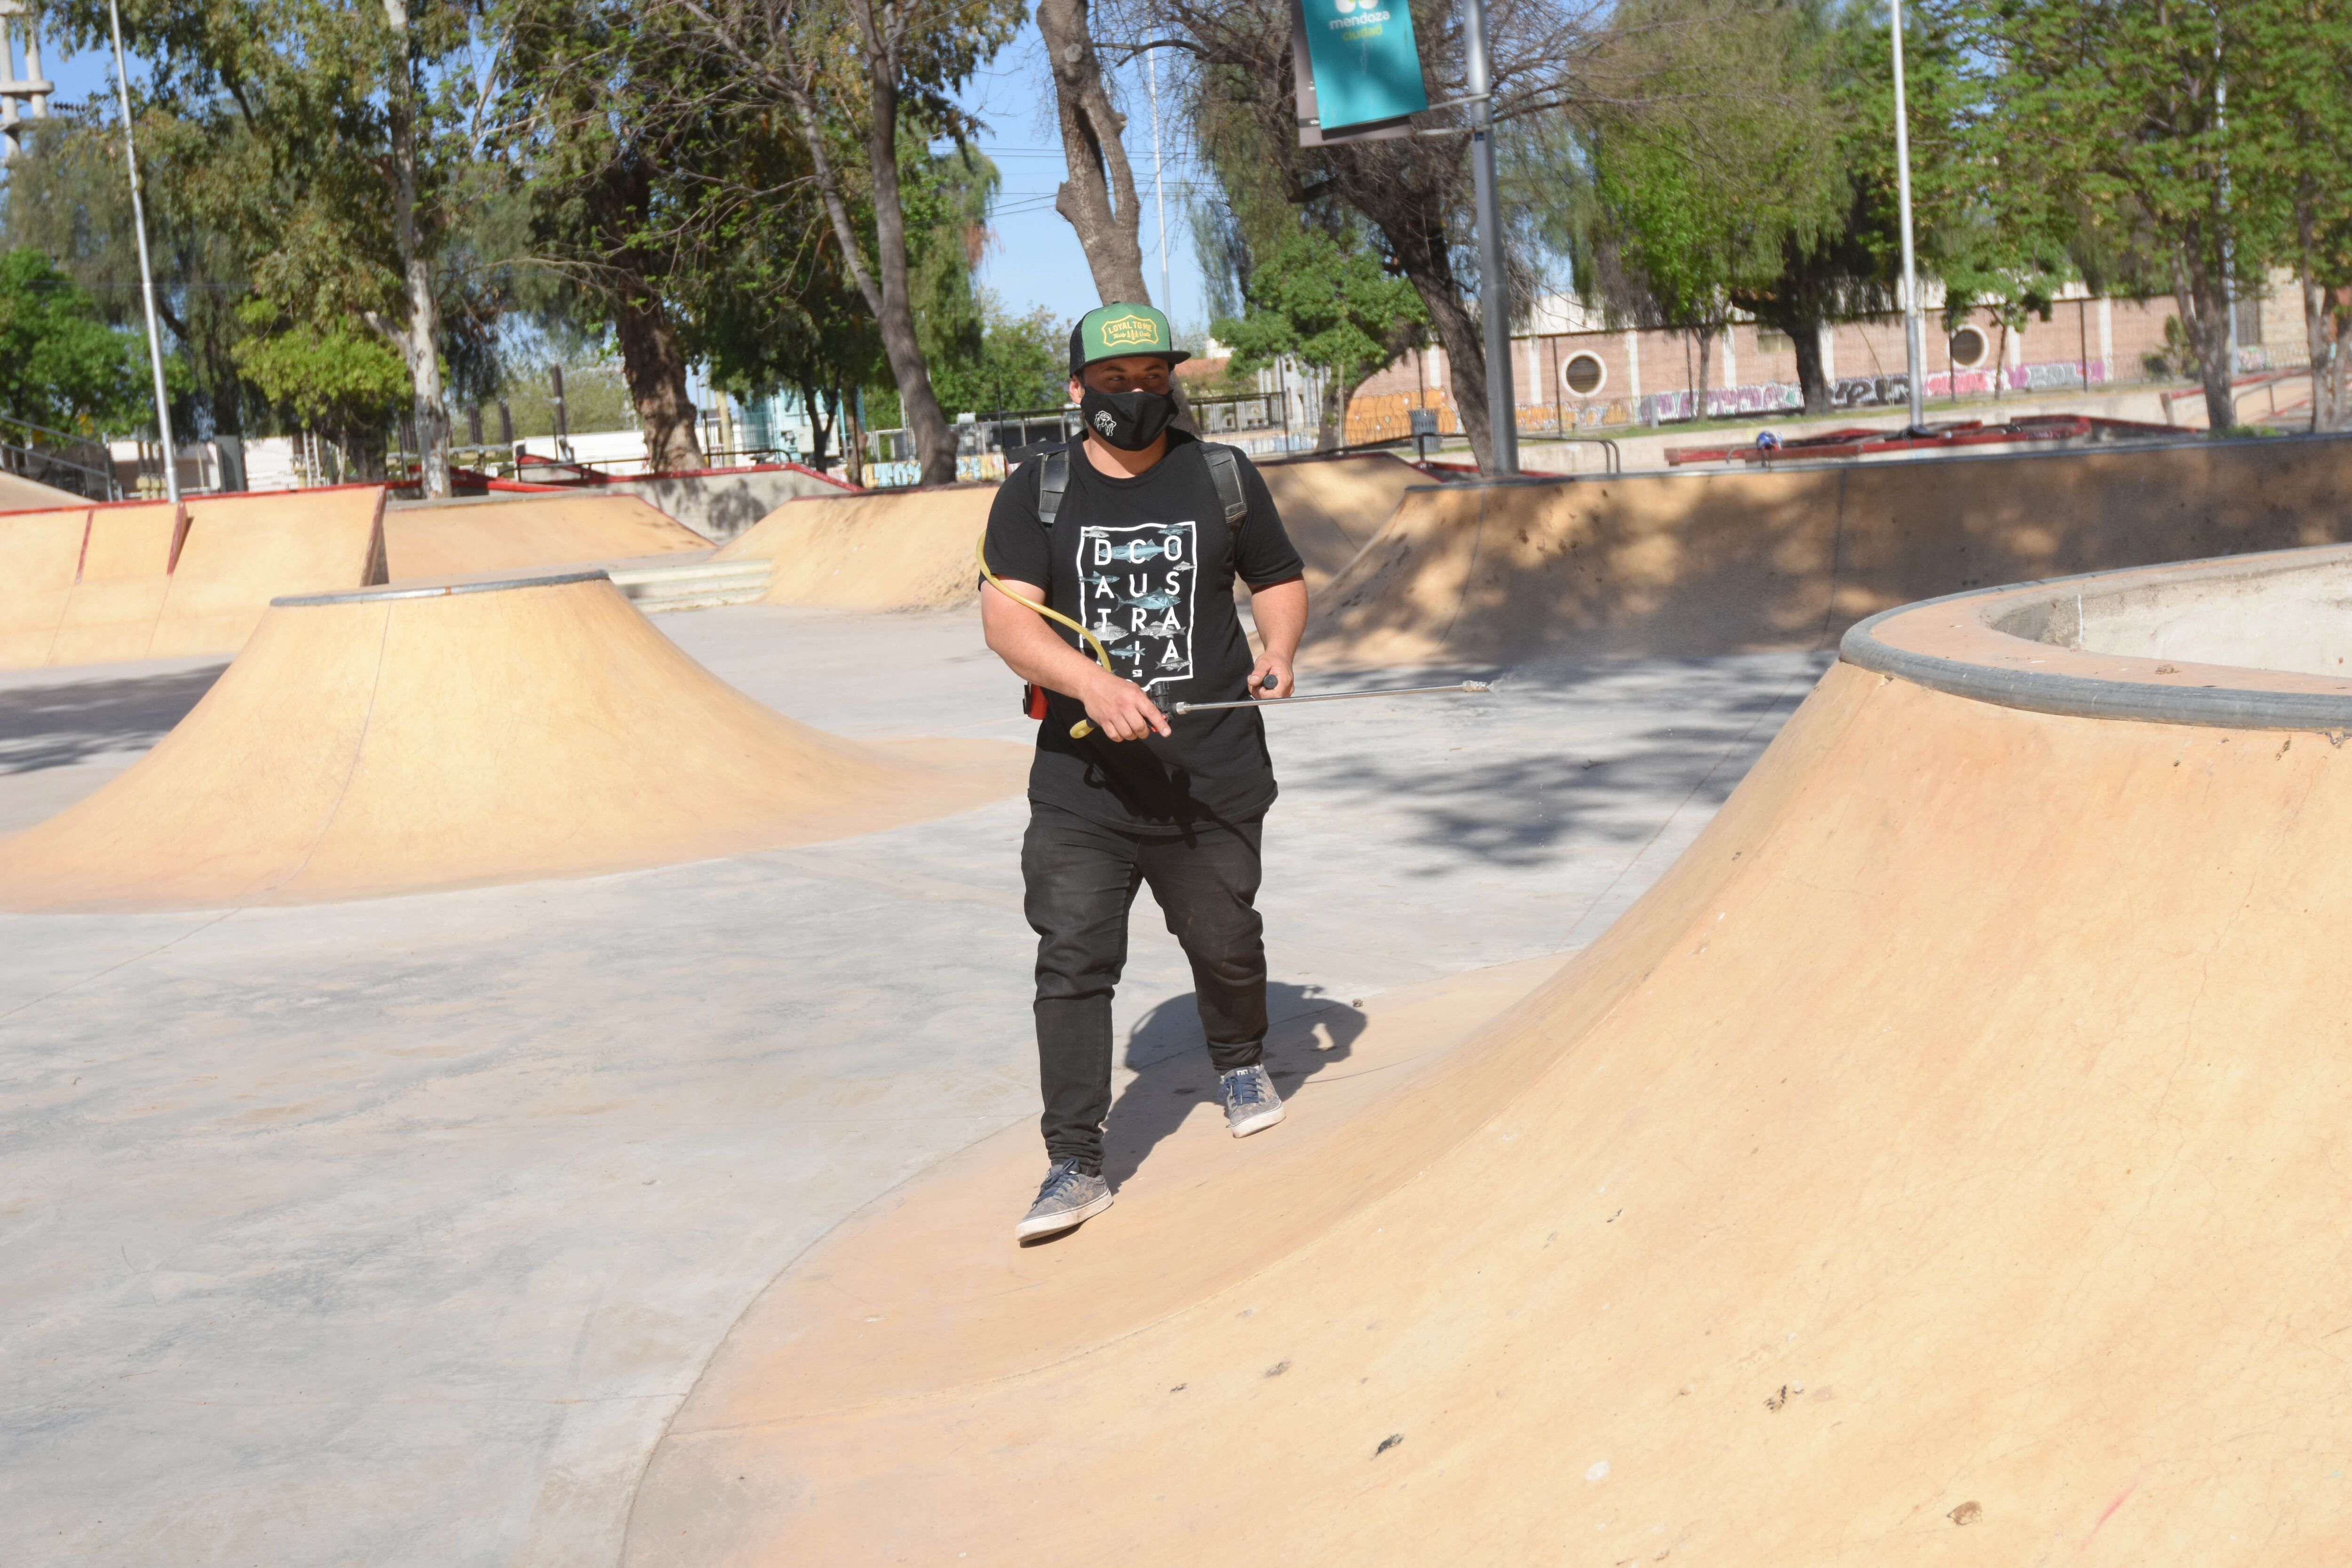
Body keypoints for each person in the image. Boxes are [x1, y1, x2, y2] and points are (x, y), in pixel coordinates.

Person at [979, 302, 1309, 1243]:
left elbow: (1277, 577)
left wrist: (1278, 649)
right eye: (1112, 381)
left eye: (1150, 378)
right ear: (1076, 386)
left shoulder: (1221, 474)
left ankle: (1239, 1055)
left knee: (1224, 935)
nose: (1132, 396)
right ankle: (1075, 1161)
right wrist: (1092, 684)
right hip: (1084, 783)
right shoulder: (1036, 490)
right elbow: (1010, 622)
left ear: (1171, 380)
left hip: (1211, 771)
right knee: (1073, 958)